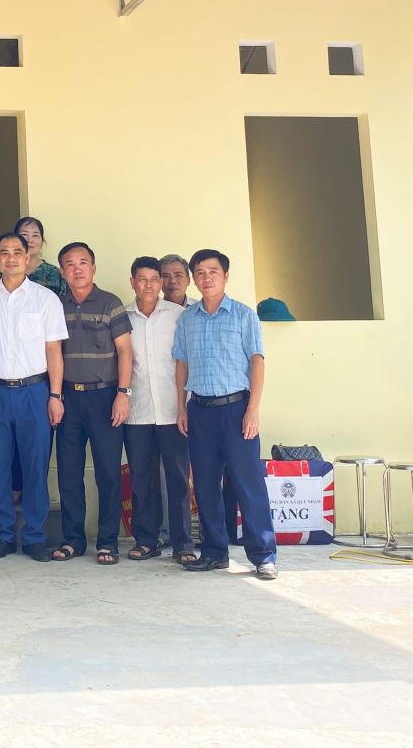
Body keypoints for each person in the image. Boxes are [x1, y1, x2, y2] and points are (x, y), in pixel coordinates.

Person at [173, 248, 278, 580]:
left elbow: (257, 362)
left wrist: (253, 410)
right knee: (204, 485)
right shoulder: (187, 318)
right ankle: (214, 552)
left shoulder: (244, 315)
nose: (206, 278)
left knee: (249, 485)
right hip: (199, 410)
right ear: (194, 278)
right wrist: (181, 406)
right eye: (200, 273)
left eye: (213, 272)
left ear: (226, 276)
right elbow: (181, 363)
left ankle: (263, 555)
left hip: (236, 410)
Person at [0, 231, 69, 562]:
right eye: (3, 252)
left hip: (34, 391)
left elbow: (54, 350)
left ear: (28, 258)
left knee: (35, 465)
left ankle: (35, 535)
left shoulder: (44, 299)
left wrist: (55, 395)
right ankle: (2, 534)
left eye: (17, 252)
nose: (10, 258)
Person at [50, 242, 132, 565]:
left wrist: (122, 394)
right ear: (62, 272)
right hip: (68, 398)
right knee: (69, 472)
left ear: (94, 268)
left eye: (83, 262)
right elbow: (52, 352)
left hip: (105, 397)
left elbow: (125, 350)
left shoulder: (110, 303)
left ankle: (108, 542)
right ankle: (73, 539)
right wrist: (55, 397)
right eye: (69, 264)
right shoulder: (56, 305)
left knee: (108, 473)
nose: (77, 269)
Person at [123, 256, 196, 564]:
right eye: (143, 279)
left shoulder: (179, 316)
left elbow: (188, 360)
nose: (150, 285)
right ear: (133, 282)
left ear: (161, 283)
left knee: (178, 479)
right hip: (136, 410)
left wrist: (187, 404)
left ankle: (182, 543)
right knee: (142, 478)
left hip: (173, 409)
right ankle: (146, 539)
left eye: (155, 279)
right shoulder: (122, 316)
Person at [0, 216, 68, 297]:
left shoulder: (54, 274)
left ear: (42, 241)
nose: (30, 240)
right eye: (24, 234)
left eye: (35, 235)